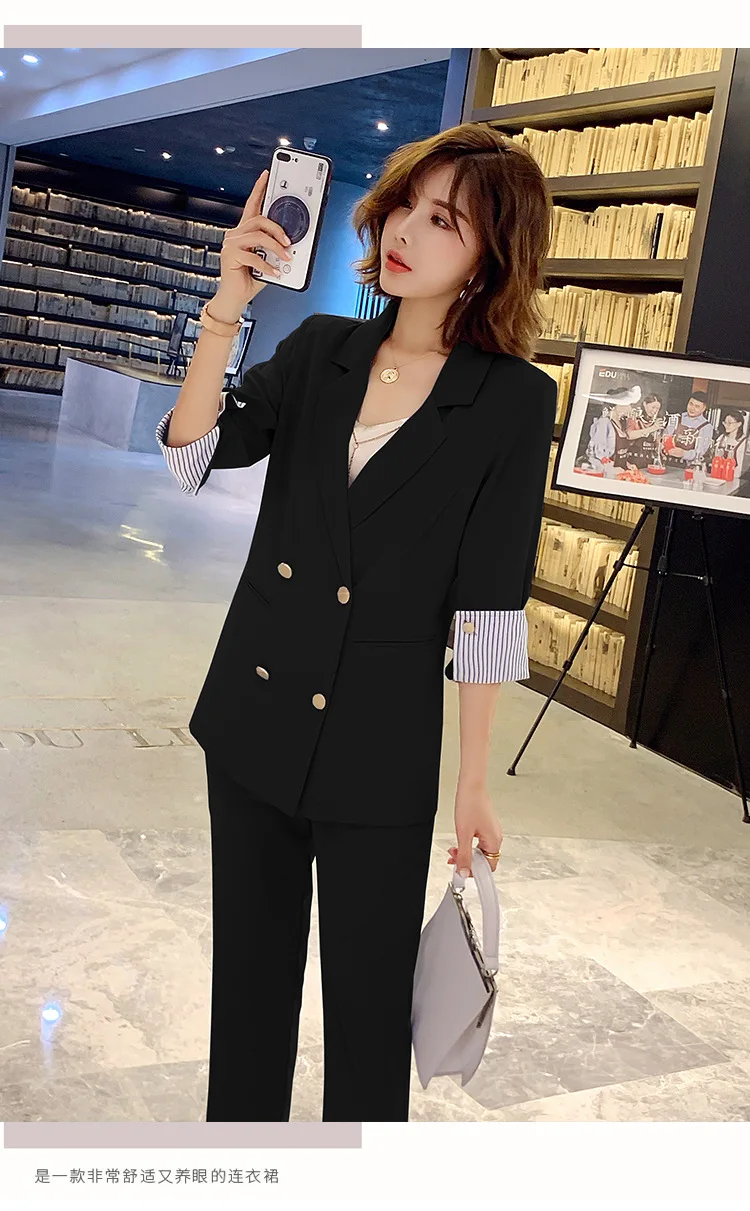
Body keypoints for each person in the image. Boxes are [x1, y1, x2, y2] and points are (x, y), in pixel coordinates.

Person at [155, 123, 557, 1122]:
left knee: (371, 1018)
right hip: (253, 719)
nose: (406, 232)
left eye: (444, 220)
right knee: (249, 994)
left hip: (378, 746)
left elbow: (489, 604)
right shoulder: (321, 349)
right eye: (405, 205)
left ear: (492, 255)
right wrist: (227, 309)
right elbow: (194, 457)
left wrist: (473, 780)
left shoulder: (511, 400)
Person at [662, 390, 714, 469]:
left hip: (688, 467)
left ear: (704, 408)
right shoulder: (677, 418)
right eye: (691, 404)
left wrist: (684, 453)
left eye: (697, 406)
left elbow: (700, 452)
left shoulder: (706, 427)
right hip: (667, 462)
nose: (692, 408)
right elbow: (666, 436)